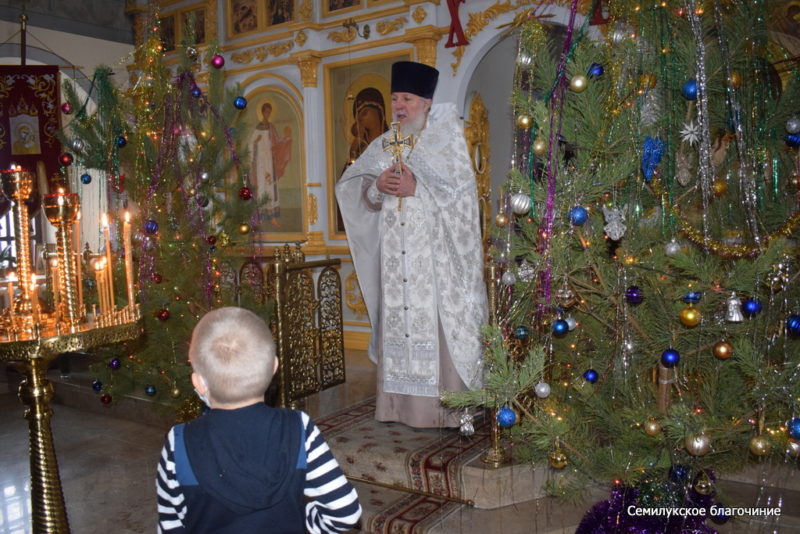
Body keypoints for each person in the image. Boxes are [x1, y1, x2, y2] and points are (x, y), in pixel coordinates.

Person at [335, 61, 488, 428]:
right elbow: (357, 189)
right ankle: (398, 409)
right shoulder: (384, 143)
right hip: (396, 264)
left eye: (407, 98)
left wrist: (418, 189)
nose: (400, 106)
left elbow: (463, 204)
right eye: (395, 98)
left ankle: (445, 413)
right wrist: (377, 186)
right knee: (399, 326)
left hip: (434, 266)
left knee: (435, 329)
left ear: (427, 102)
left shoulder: (445, 142)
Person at [156, 307, 362, 533]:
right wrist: (304, 523)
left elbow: (171, 523)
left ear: (199, 382)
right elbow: (345, 512)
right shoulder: (299, 429)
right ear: (274, 367)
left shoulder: (180, 442)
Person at [249, 102, 292, 226]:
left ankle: (273, 218)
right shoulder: (258, 127)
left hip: (270, 161)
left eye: (269, 112)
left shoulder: (271, 127)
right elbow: (251, 144)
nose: (267, 114)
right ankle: (260, 217)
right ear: (262, 112)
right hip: (261, 161)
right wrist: (256, 143)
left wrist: (287, 139)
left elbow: (277, 141)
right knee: (262, 186)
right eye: (265, 111)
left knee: (272, 187)